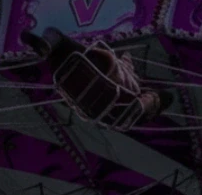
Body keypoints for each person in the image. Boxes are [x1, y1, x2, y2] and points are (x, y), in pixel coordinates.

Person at [20, 27, 173, 123]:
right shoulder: (135, 91)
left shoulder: (139, 103)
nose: (150, 96)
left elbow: (138, 107)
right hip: (88, 88)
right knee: (65, 62)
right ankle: (48, 51)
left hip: (104, 79)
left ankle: (50, 48)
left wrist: (148, 102)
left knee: (62, 43)